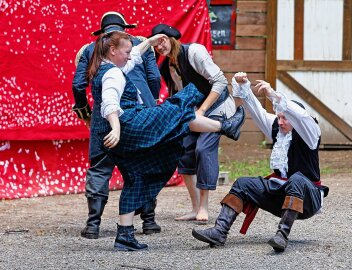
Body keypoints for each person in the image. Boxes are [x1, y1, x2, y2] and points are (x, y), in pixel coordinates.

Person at [86, 30, 245, 251]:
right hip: (129, 124)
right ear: (113, 51)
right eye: (126, 51)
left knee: (136, 176)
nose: (129, 56)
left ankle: (124, 235)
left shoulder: (108, 66)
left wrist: (148, 43)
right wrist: (115, 126)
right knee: (177, 109)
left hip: (115, 134)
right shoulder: (112, 74)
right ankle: (225, 126)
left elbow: (132, 60)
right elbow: (110, 102)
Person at [192, 72, 329, 252]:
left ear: (294, 119)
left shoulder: (310, 132)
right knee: (243, 184)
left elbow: (301, 117)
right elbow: (258, 112)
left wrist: (273, 95)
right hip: (282, 195)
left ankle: (282, 235)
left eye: (284, 118)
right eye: (278, 117)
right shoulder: (277, 128)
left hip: (308, 199)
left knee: (297, 179)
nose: (279, 122)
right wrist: (244, 87)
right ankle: (219, 232)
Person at [72, 11, 163, 239]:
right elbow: (153, 78)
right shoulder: (127, 54)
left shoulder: (92, 52)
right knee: (142, 166)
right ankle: (149, 221)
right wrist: (148, 107)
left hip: (103, 121)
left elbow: (77, 85)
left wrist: (86, 113)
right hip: (131, 119)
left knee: (100, 169)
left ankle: (93, 225)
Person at [150, 24, 241, 223]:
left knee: (203, 149)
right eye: (156, 45)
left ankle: (204, 207)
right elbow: (177, 94)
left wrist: (201, 111)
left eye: (162, 41)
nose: (160, 47)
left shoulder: (194, 52)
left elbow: (219, 82)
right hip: (194, 113)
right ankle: (194, 207)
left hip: (217, 107)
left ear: (172, 38)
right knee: (183, 150)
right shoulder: (166, 66)